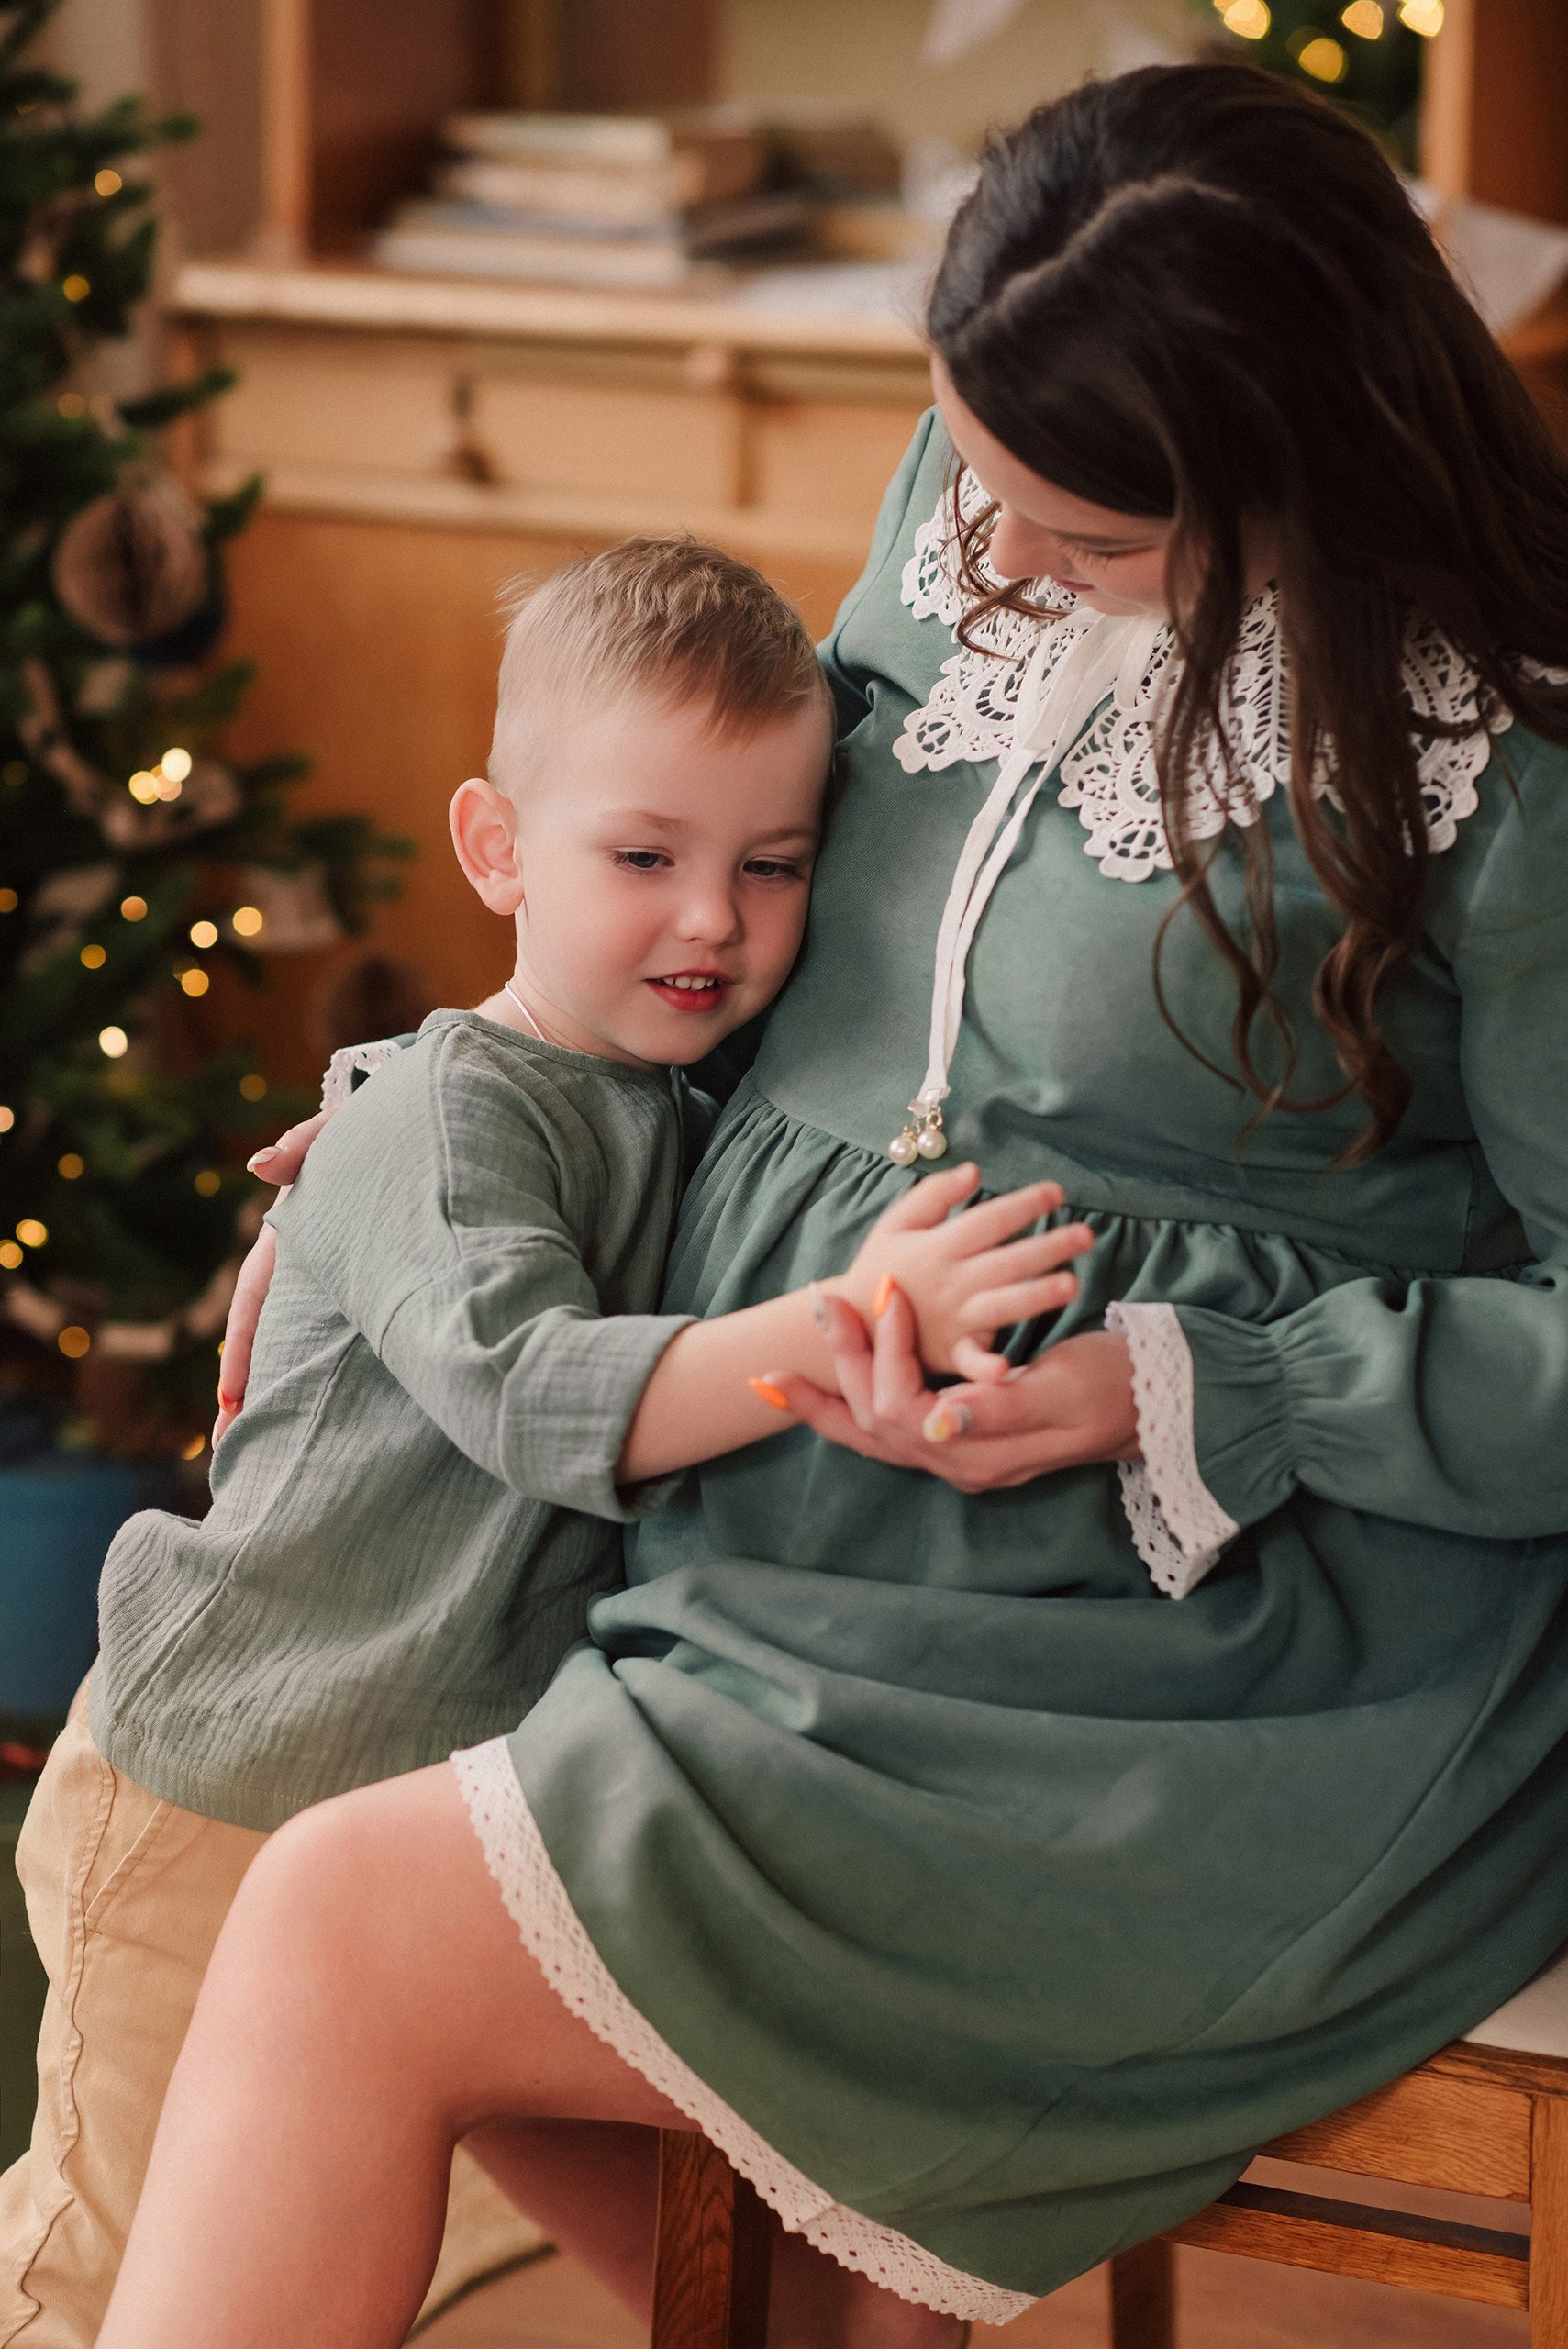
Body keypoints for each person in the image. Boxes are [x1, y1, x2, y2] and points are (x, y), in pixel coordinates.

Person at [96, 60, 1568, 2349]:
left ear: (1290, 458)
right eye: (975, 481)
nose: (1000, 562)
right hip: (770, 1510)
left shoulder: (1509, 767)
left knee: (343, 1925)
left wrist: (1190, 1381)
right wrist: (434, 1145)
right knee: (364, 1791)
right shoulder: (985, 486)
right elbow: (750, 929)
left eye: (1084, 535)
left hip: (1188, 1639)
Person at [1, 533, 1088, 2349]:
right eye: (644, 858)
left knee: (605, 2237)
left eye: (770, 866)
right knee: (96, 2262)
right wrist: (845, 1320)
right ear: (497, 848)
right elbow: (533, 1389)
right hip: (224, 1784)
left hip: (438, 1823)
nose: (711, 919)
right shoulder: (445, 1114)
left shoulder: (678, 1105)